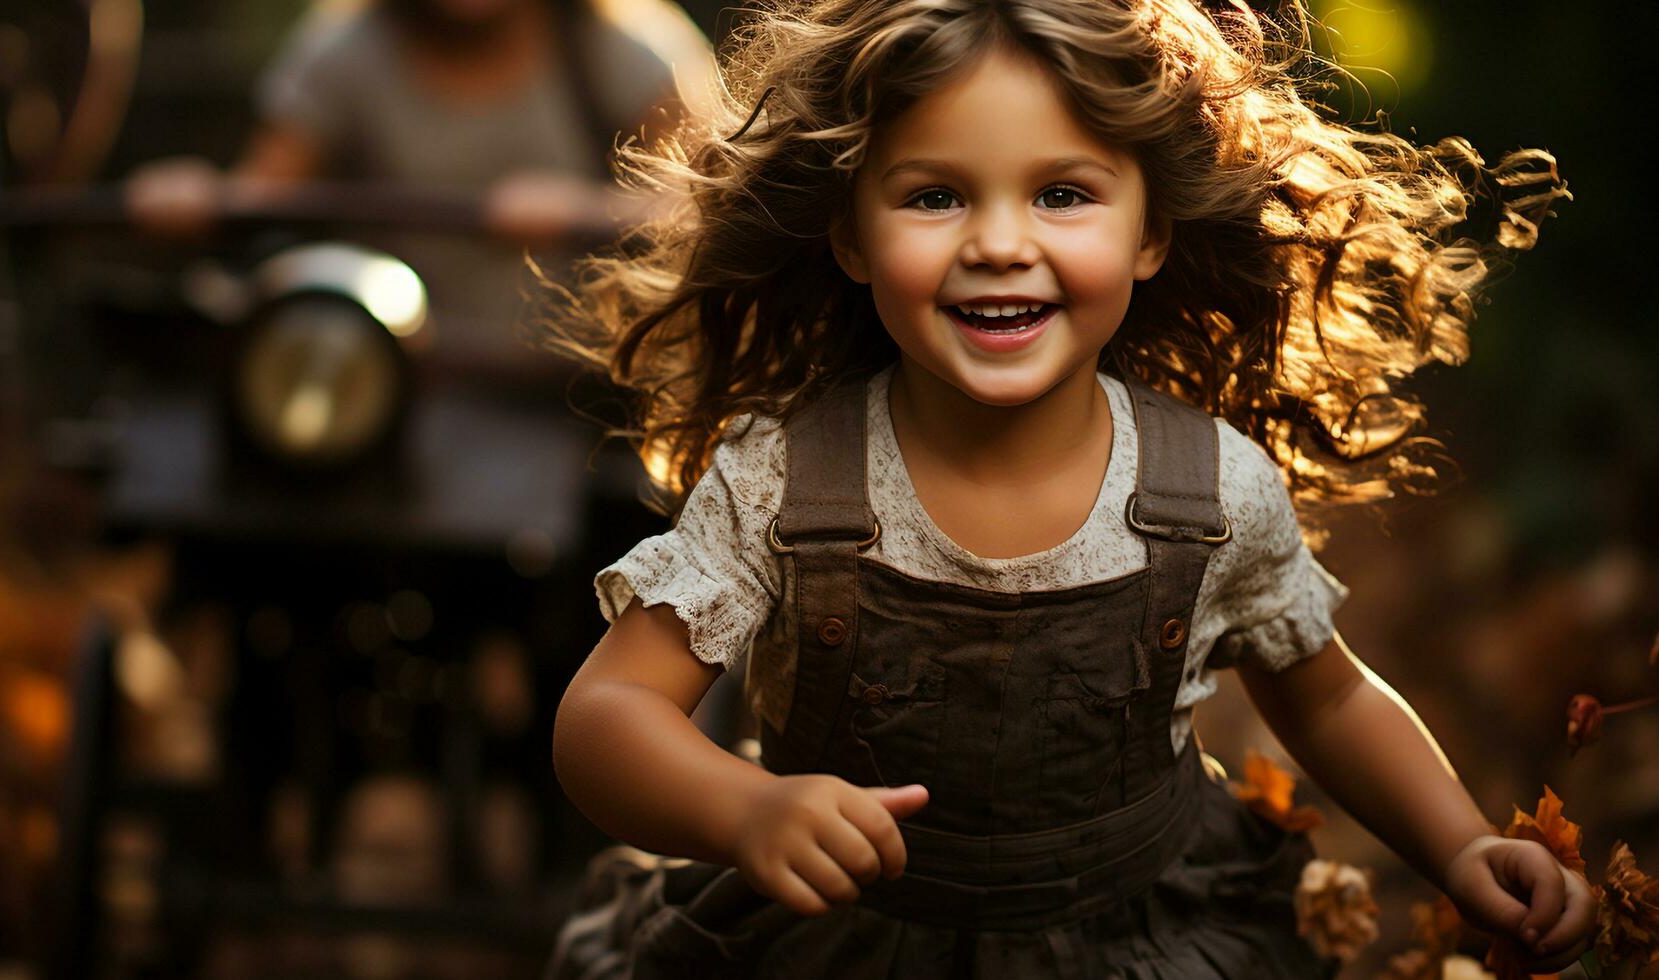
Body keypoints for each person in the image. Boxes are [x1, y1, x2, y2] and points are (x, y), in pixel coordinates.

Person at [540, 0, 1589, 976]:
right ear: (852, 237)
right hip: (841, 943)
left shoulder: (1210, 487)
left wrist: (1458, 846)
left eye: (1061, 193)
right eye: (935, 195)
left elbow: (1330, 698)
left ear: (1148, 233)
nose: (1000, 242)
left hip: (1141, 937)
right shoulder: (781, 482)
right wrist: (740, 809)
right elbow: (607, 713)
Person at [126, 0, 708, 381]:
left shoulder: (619, 46)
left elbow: (717, 208)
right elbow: (262, 192)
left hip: (583, 392)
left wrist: (585, 208)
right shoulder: (347, 49)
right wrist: (197, 198)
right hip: (387, 379)